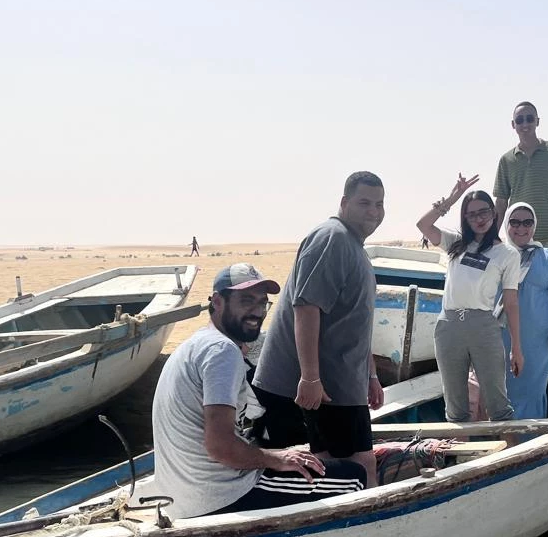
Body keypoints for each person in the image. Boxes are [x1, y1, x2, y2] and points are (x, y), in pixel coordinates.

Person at [151, 263, 367, 518]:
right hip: (219, 496)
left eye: (262, 303)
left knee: (301, 458)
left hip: (180, 498)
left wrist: (278, 455)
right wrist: (278, 459)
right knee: (354, 477)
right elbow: (220, 447)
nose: (256, 312)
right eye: (246, 301)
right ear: (218, 302)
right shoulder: (222, 351)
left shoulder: (196, 344)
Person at [253, 172, 385, 486]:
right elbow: (306, 307)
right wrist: (310, 377)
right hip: (317, 388)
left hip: (341, 385)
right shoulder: (332, 238)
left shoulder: (354, 246)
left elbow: (355, 321)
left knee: (352, 462)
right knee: (353, 464)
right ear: (344, 202)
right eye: (364, 202)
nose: (374, 211)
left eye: (379, 204)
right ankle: (367, 526)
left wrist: (371, 375)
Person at [416, 174, 522, 422]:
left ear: (494, 213)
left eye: (484, 212)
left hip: (483, 326)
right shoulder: (455, 243)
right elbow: (423, 225)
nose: (479, 219)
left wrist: (517, 347)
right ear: (465, 218)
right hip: (449, 326)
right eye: (472, 214)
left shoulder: (507, 254)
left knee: (498, 403)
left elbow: (511, 303)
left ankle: (508, 456)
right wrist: (453, 197)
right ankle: (457, 457)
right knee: (455, 405)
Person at [501, 201, 548, 418]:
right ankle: (507, 441)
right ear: (506, 224)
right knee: (502, 391)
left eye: (527, 222)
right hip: (500, 338)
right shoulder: (496, 256)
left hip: (539, 341)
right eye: (514, 222)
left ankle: (530, 437)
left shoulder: (547, 257)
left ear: (534, 225)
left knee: (531, 391)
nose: (521, 228)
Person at [493, 101, 548, 267]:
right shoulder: (506, 160)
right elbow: (501, 201)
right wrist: (493, 235)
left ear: (537, 121)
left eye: (529, 119)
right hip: (519, 237)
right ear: (513, 125)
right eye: (520, 120)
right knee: (521, 289)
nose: (525, 124)